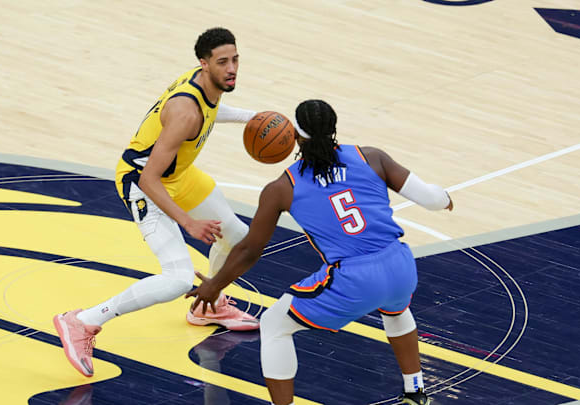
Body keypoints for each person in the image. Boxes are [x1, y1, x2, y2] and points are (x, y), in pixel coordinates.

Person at [186, 99, 453, 405]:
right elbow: (431, 199)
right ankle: (415, 392)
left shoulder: (281, 188)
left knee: (274, 325)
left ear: (295, 137)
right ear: (334, 129)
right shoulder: (371, 157)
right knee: (396, 310)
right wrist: (445, 199)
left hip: (354, 278)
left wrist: (214, 285)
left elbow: (249, 249)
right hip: (401, 266)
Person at [53, 27, 261, 378]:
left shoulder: (207, 85)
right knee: (178, 279)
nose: (232, 68)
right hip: (142, 183)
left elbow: (212, 112)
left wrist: (251, 117)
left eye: (235, 60)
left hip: (177, 175)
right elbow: (149, 178)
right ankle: (82, 322)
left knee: (237, 237)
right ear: (204, 64)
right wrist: (188, 222)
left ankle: (207, 306)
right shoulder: (185, 112)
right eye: (223, 62)